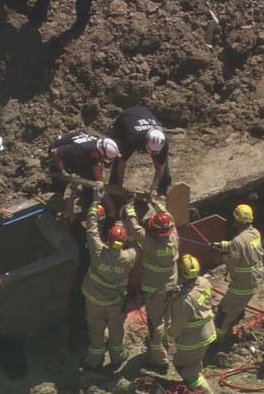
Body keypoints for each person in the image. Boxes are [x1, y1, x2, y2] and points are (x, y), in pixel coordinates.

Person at [81, 195, 136, 373]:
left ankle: (94, 360)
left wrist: (95, 202)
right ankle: (117, 357)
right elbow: (138, 240)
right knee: (116, 330)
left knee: (96, 330)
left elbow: (92, 230)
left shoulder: (98, 252)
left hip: (94, 300)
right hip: (114, 302)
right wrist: (129, 215)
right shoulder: (129, 257)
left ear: (109, 241)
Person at [123, 198, 179, 372]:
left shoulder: (150, 242)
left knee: (155, 323)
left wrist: (130, 211)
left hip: (155, 290)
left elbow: (135, 229)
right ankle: (165, 342)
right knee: (166, 318)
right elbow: (168, 216)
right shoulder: (174, 235)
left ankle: (159, 360)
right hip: (171, 285)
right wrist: (155, 202)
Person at [211, 204, 264, 346]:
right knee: (237, 306)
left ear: (236, 220)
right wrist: (225, 245)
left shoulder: (237, 241)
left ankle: (219, 340)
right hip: (255, 279)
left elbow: (231, 263)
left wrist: (223, 253)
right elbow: (244, 247)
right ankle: (236, 317)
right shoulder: (256, 233)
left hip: (242, 284)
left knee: (222, 312)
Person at [166, 254, 216, 394]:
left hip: (192, 339)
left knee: (184, 368)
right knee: (194, 362)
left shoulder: (184, 301)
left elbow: (178, 326)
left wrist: (167, 335)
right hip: (208, 331)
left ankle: (203, 391)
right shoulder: (204, 282)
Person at [49, 131, 120, 211]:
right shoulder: (79, 149)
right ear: (98, 152)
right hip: (59, 153)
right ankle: (57, 200)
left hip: (79, 152)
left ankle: (87, 202)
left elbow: (98, 165)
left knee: (90, 178)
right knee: (61, 179)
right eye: (103, 158)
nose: (103, 160)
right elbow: (55, 152)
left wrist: (99, 184)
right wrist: (64, 172)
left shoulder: (98, 148)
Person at [109, 106, 171, 196]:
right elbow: (122, 162)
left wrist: (153, 189)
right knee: (118, 154)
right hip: (125, 120)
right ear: (145, 142)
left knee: (162, 160)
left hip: (143, 112)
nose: (152, 154)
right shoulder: (133, 139)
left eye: (155, 152)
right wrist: (120, 186)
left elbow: (160, 166)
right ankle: (114, 185)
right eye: (150, 151)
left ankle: (163, 186)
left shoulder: (163, 141)